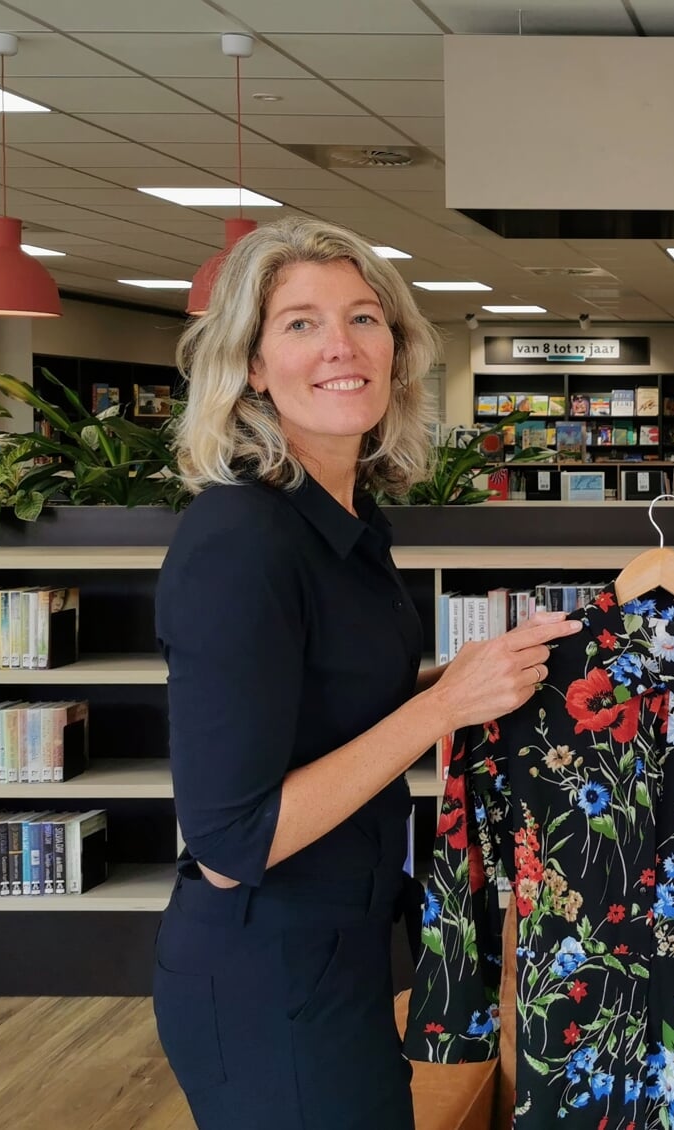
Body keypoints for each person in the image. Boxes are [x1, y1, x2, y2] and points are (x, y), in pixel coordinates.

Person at [152, 216, 582, 1130]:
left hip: (341, 951)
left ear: (397, 346)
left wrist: (467, 680)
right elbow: (233, 844)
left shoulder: (346, 523)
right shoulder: (240, 541)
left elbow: (334, 706)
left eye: (363, 318)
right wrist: (442, 711)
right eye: (300, 323)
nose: (341, 347)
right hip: (266, 976)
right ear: (253, 366)